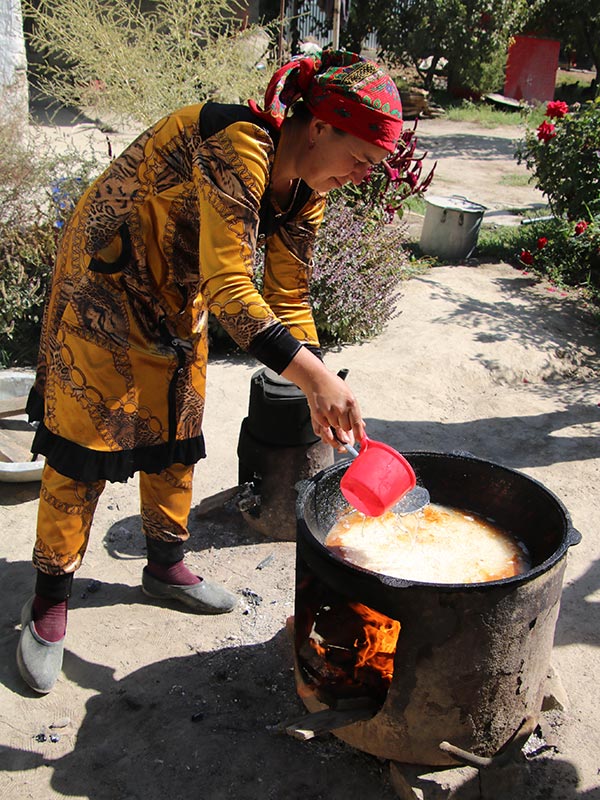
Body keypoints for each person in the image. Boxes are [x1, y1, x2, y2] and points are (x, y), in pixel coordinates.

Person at [16, 49, 403, 693]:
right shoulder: (238, 144)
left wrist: (316, 382)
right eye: (360, 158)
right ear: (319, 128)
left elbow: (289, 294)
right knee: (85, 448)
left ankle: (164, 566)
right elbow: (231, 291)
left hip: (175, 295)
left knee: (177, 427)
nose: (362, 175)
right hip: (105, 286)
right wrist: (312, 378)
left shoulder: (307, 190)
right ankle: (49, 603)